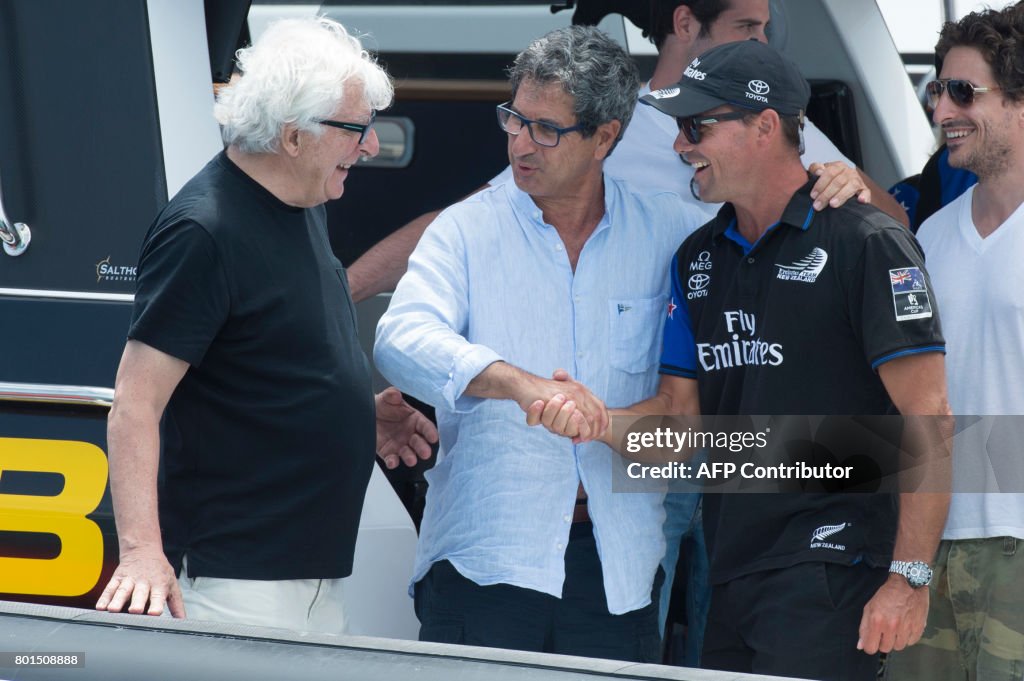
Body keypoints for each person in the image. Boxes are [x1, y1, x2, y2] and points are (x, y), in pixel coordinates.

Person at [530, 39, 952, 680]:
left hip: (832, 568)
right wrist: (596, 418)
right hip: (728, 571)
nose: (679, 145)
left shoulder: (866, 243)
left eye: (697, 125)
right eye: (677, 126)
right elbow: (679, 421)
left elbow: (929, 415)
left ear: (764, 126)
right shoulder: (697, 257)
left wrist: (909, 578)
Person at [94, 17, 437, 634]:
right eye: (356, 130)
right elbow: (135, 403)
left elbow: (269, 357)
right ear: (294, 136)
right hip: (234, 588)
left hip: (307, 584)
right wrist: (143, 553)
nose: (370, 146)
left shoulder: (301, 202)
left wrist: (357, 410)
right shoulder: (203, 231)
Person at [374, 25, 703, 662]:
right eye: (514, 120)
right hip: (484, 565)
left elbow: (767, 246)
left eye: (546, 129)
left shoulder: (673, 231)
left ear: (606, 137)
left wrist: (831, 183)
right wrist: (519, 384)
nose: (520, 143)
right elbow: (400, 338)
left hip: (620, 571)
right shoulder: (464, 230)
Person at [346, 0, 907, 305]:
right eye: (745, 27)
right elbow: (467, 221)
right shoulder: (598, 129)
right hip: (649, 409)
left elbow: (896, 223)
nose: (762, 44)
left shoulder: (781, 125)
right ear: (685, 23)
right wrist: (340, 293)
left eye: (764, 29)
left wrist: (849, 181)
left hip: (748, 396)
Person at [885, 5, 1024, 679]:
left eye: (963, 91)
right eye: (937, 90)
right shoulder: (928, 240)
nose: (942, 109)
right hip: (927, 549)